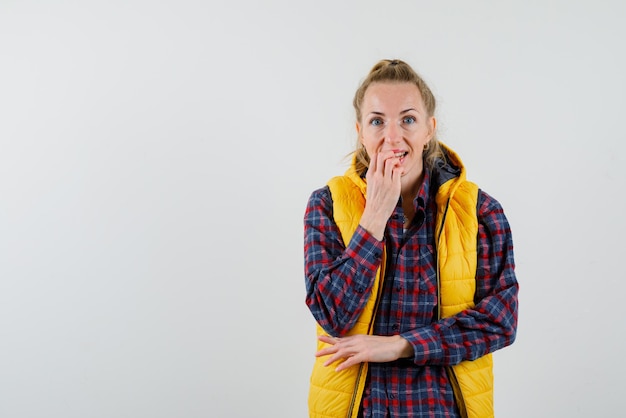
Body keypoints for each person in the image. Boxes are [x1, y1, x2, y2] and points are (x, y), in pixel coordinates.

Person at [303, 59, 519, 418]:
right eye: (377, 121)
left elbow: (501, 320)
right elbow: (332, 316)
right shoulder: (326, 204)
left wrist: (401, 346)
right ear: (360, 131)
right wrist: (373, 218)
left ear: (429, 129)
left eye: (407, 119)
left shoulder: (480, 211)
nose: (392, 137)